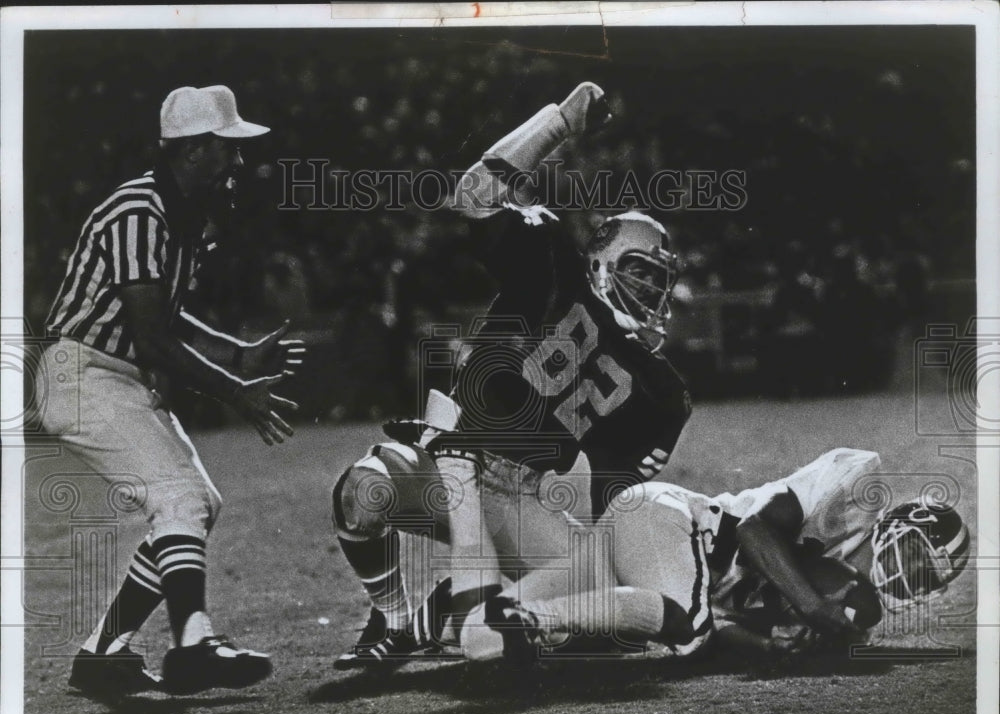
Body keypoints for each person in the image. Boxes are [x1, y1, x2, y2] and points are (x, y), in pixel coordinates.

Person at [331, 82, 695, 667]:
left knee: (598, 616)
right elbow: (473, 192)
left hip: (524, 498)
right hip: (448, 460)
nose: (649, 289)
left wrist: (598, 563)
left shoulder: (661, 391)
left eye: (658, 280)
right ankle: (397, 620)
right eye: (638, 271)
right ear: (600, 262)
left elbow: (616, 511)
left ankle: (443, 613)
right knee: (361, 492)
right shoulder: (550, 264)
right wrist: (561, 122)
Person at [37, 85, 304, 700]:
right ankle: (194, 641)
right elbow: (152, 337)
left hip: (111, 376)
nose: (238, 164)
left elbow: (164, 315)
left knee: (195, 506)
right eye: (227, 149)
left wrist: (236, 353)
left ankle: (105, 656)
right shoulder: (141, 210)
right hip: (84, 374)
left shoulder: (174, 213)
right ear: (193, 152)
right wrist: (238, 389)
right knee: (180, 497)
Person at [478, 448, 971, 663]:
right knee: (686, 633)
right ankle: (540, 617)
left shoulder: (852, 615)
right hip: (670, 521)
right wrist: (813, 608)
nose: (910, 573)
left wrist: (768, 646)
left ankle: (418, 620)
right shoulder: (860, 482)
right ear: (900, 522)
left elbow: (720, 621)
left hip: (651, 562)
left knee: (479, 639)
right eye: (915, 553)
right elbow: (756, 531)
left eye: (925, 578)